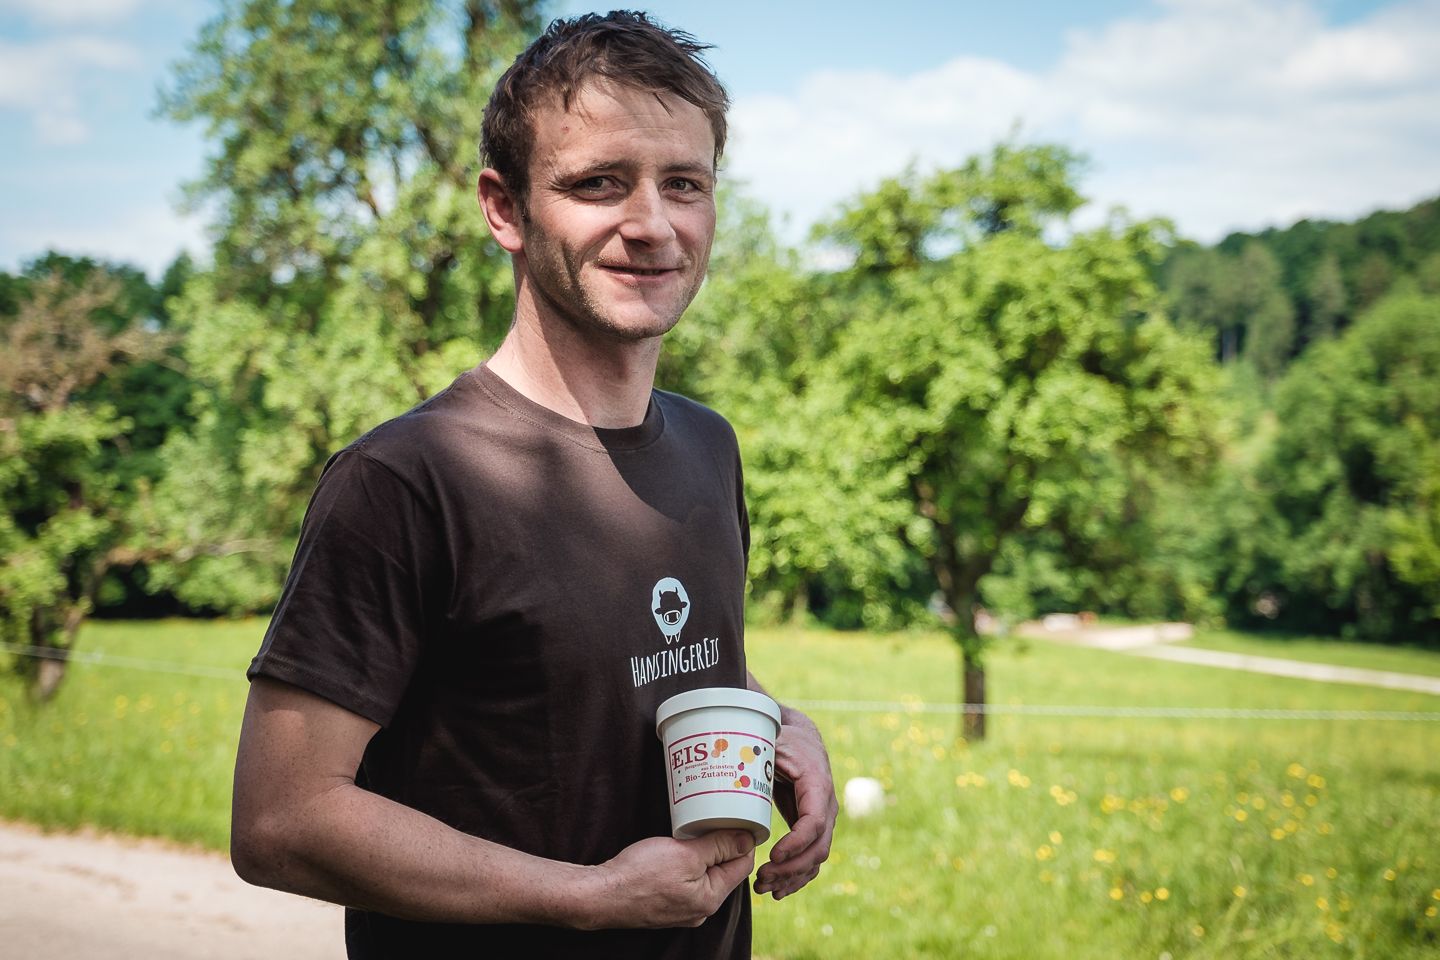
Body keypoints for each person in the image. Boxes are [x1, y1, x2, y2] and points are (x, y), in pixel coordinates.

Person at [230, 11, 838, 959]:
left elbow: (643, 664)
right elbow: (281, 819)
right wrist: (586, 898)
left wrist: (780, 726)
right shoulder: (404, 482)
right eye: (599, 183)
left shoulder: (708, 448)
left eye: (684, 184)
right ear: (504, 208)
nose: (652, 224)